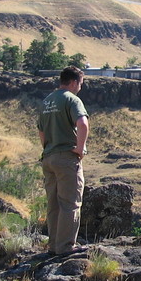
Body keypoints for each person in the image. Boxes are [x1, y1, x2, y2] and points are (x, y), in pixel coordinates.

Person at [38, 66, 89, 255]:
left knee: (54, 204)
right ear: (74, 82)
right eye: (80, 84)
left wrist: (48, 149)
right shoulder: (72, 99)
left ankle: (54, 246)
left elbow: (41, 132)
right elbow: (83, 124)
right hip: (66, 158)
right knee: (70, 203)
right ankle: (66, 246)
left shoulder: (46, 102)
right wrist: (79, 148)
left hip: (48, 157)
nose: (80, 88)